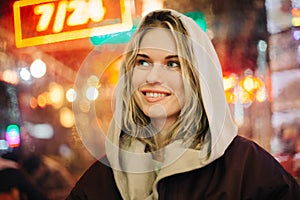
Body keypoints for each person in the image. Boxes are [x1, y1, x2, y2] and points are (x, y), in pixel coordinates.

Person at [67, 9, 300, 199]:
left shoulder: (247, 167)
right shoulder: (103, 177)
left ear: (199, 77)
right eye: (143, 62)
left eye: (173, 64)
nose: (152, 77)